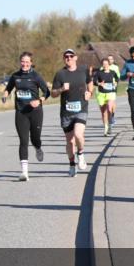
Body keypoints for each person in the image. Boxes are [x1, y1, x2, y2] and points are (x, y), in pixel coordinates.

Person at [2, 51, 50, 181]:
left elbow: (47, 92)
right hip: (21, 112)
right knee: (23, 141)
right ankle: (24, 172)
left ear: (31, 63)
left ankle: (38, 148)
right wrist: (5, 94)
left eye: (27, 62)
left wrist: (39, 101)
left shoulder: (36, 76)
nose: (24, 64)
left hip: (35, 112)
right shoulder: (15, 76)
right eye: (23, 61)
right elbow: (9, 88)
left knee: (35, 139)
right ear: (20, 62)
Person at [51, 48, 93, 176]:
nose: (68, 58)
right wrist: (61, 89)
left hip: (81, 108)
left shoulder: (83, 70)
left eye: (71, 56)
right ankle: (71, 164)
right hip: (66, 112)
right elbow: (53, 93)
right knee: (69, 141)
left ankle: (80, 153)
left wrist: (89, 92)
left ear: (76, 57)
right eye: (66, 56)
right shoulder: (60, 74)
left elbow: (90, 82)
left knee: (78, 134)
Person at [93, 57, 119, 136]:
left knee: (109, 107)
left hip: (110, 93)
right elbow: (94, 81)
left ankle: (110, 124)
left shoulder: (112, 72)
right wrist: (99, 84)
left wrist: (115, 83)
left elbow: (117, 78)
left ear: (109, 64)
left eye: (106, 64)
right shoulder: (99, 73)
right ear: (102, 65)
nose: (105, 66)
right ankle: (106, 128)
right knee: (103, 113)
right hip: (101, 94)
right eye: (103, 64)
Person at [106, 54, 121, 126]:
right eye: (108, 59)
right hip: (105, 86)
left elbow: (118, 76)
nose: (109, 60)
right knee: (107, 103)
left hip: (113, 86)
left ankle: (112, 116)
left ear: (113, 60)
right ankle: (109, 116)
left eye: (111, 59)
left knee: (112, 102)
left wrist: (116, 83)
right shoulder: (104, 66)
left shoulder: (115, 67)